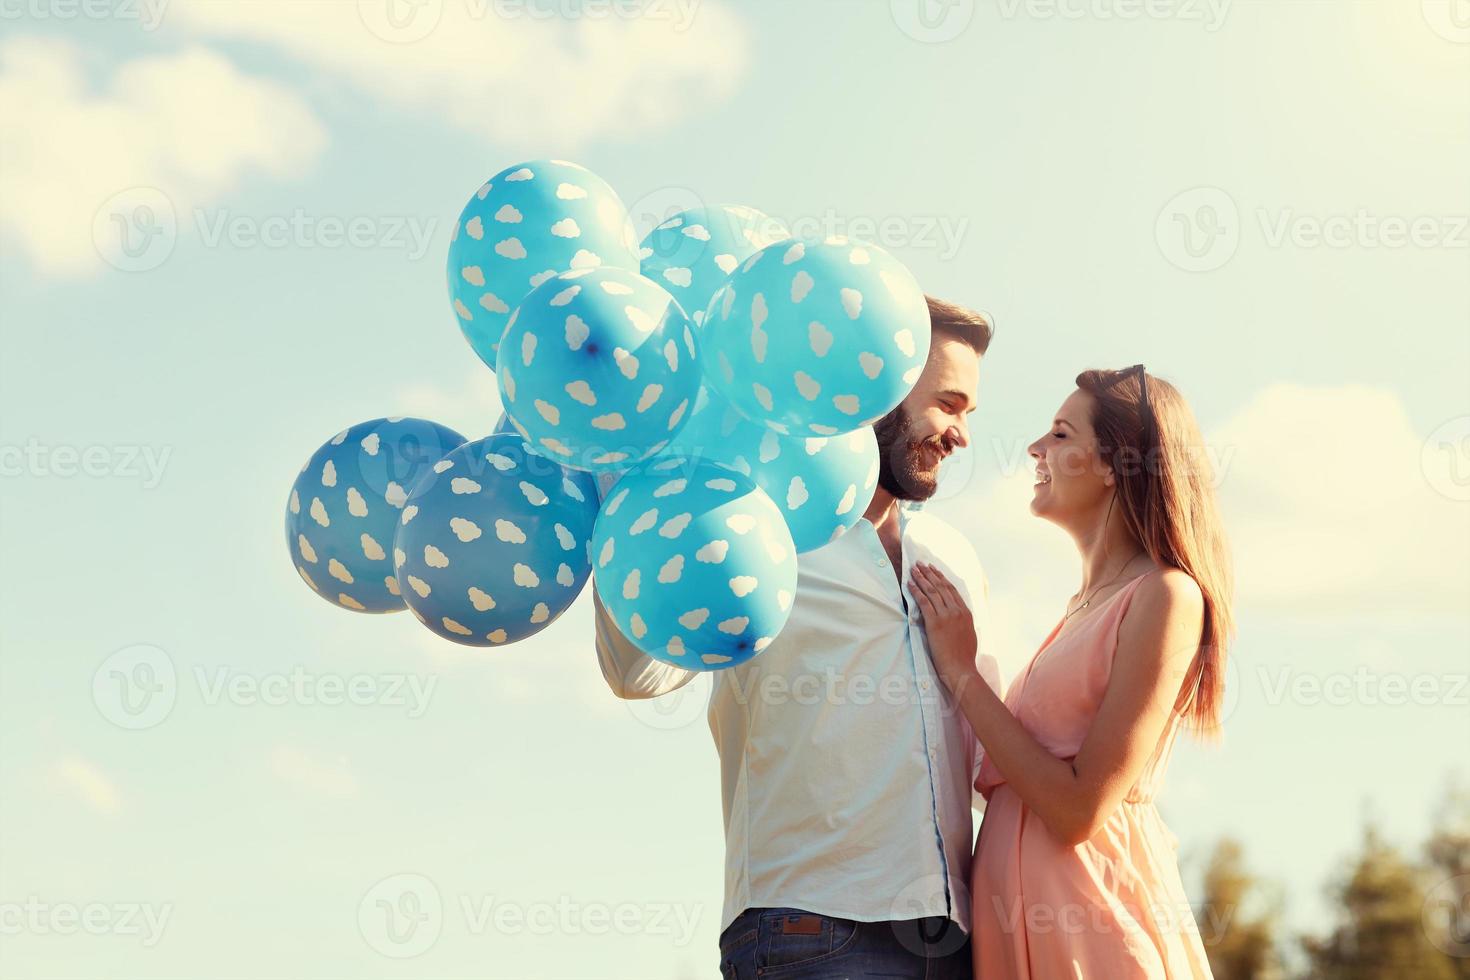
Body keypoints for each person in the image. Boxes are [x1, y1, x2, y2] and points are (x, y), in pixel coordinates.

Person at [592, 297, 998, 978]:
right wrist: (628, 496)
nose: (961, 435)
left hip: (954, 938)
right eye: (950, 405)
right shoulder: (752, 530)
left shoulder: (953, 554)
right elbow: (638, 674)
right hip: (810, 930)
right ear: (879, 384)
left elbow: (993, 760)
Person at [909, 365, 1233, 978]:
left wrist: (961, 671)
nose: (1034, 448)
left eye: (1060, 435)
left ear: (1118, 464)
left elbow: (1080, 809)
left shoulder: (1166, 595)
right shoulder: (1079, 611)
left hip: (1093, 926)